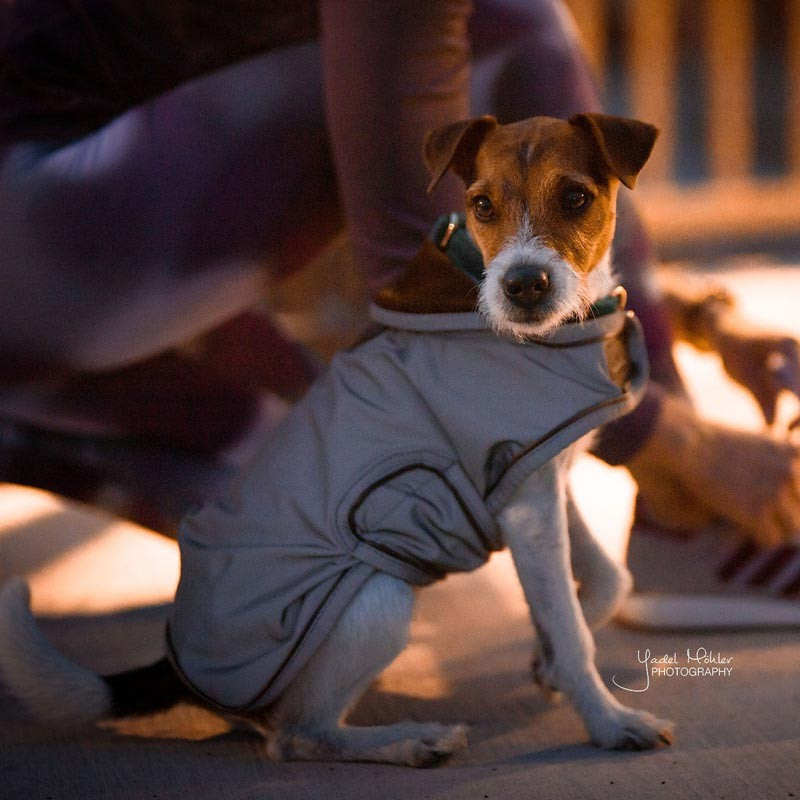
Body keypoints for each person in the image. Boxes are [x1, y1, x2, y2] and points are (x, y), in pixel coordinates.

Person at [0, 0, 798, 549]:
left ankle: (38, 412)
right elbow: (424, 280)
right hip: (39, 239)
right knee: (516, 28)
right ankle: (690, 513)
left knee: (371, 524)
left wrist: (701, 320)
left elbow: (462, 235)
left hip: (67, 233)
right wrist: (678, 440)